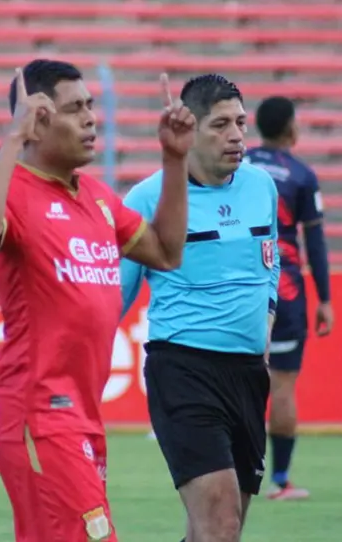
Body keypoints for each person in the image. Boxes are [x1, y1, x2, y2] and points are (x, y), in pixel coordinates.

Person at [0, 59, 191, 542]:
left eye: (91, 106)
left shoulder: (97, 198)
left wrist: (174, 161)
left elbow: (167, 253)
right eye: (74, 109)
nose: (90, 118)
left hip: (80, 413)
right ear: (38, 120)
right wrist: (13, 140)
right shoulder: (14, 192)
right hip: (38, 411)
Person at [121, 74, 280, 542]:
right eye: (220, 125)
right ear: (190, 131)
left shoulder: (261, 186)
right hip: (183, 370)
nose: (236, 135)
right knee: (221, 522)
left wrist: (266, 317)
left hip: (249, 374)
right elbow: (114, 296)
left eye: (241, 123)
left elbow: (271, 261)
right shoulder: (147, 198)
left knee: (215, 530)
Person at [245, 96, 333, 501]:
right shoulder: (301, 175)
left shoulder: (238, 164)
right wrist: (326, 299)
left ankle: (234, 470)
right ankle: (279, 481)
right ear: (289, 129)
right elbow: (315, 243)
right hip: (284, 290)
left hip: (238, 287)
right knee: (280, 387)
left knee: (237, 382)